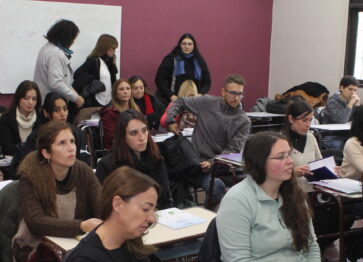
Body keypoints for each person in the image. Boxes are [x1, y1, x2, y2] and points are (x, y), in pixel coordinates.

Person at [218, 132, 322, 262]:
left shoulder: (295, 195)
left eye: (289, 154)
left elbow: (312, 247)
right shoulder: (237, 201)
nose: (290, 161)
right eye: (281, 157)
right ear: (259, 162)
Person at [13, 120, 102, 262]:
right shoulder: (30, 178)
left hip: (74, 246)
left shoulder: (83, 171)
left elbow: (101, 207)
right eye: (62, 143)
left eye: (72, 141)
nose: (71, 148)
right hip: (36, 253)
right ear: (46, 153)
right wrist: (81, 226)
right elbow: (36, 223)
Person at [165, 74, 251, 205]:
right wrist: (170, 120)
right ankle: (207, 216)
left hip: (224, 166)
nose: (237, 98)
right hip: (198, 165)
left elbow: (233, 150)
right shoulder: (207, 102)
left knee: (253, 183)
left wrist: (212, 162)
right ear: (223, 92)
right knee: (216, 186)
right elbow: (180, 101)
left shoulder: (243, 120)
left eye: (240, 94)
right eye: (233, 93)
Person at [96, 110, 173, 209]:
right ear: (123, 136)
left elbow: (166, 199)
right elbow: (105, 206)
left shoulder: (156, 158)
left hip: (157, 216)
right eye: (134, 133)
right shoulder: (107, 165)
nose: (142, 138)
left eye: (144, 130)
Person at [33, 19, 84, 111]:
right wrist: (76, 98)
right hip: (51, 105)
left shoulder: (47, 48)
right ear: (66, 37)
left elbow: (61, 78)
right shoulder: (56, 54)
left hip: (44, 101)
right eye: (73, 38)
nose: (73, 42)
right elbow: (55, 82)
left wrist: (71, 89)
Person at [154, 33, 211, 104]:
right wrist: (171, 96)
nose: (187, 46)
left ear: (194, 46)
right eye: (184, 44)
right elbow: (159, 80)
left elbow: (207, 82)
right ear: (179, 45)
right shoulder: (171, 59)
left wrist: (199, 95)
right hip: (171, 101)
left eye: (190, 44)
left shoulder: (199, 61)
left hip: (193, 102)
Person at [283, 98, 323, 193]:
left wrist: (332, 170)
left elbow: (320, 163)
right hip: (290, 193)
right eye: (304, 120)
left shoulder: (311, 137)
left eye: (310, 120)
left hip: (313, 192)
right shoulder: (280, 141)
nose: (308, 125)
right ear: (291, 119)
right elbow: (273, 173)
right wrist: (293, 172)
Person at [0, 80, 43, 157]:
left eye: (34, 99)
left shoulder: (41, 117)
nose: (30, 102)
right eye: (26, 98)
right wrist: (27, 147)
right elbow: (7, 149)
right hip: (15, 161)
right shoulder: (7, 118)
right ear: (19, 98)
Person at [73, 34, 119, 108]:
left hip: (109, 102)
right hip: (95, 102)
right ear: (105, 47)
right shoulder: (94, 60)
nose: (114, 51)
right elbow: (78, 74)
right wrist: (93, 83)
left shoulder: (110, 63)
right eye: (113, 48)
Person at [99, 78, 139, 151]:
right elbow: (112, 140)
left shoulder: (136, 110)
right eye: (121, 89)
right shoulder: (109, 113)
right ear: (115, 93)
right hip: (118, 150)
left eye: (128, 89)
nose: (125, 92)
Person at [322, 76, 360, 150]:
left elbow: (358, 121)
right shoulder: (332, 102)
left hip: (347, 135)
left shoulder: (351, 101)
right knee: (346, 147)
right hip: (331, 137)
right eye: (350, 89)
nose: (353, 93)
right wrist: (351, 103)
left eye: (355, 90)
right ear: (342, 88)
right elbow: (342, 120)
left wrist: (358, 107)